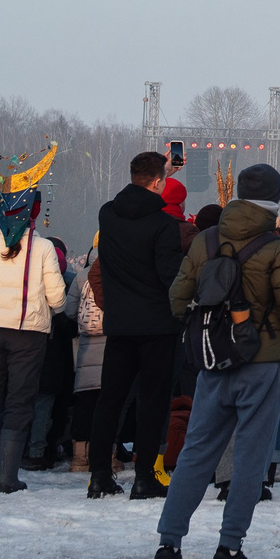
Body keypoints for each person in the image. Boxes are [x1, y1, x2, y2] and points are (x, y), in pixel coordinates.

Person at [150, 164, 280, 559]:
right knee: (250, 458)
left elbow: (178, 298)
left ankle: (168, 545)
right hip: (263, 361)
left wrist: (208, 330)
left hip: (213, 362)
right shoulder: (277, 248)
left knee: (197, 453)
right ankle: (229, 549)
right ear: (275, 199)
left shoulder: (205, 240)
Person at [0, 161, 66, 494]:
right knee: (20, 402)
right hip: (28, 334)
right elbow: (58, 298)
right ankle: (7, 477)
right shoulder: (44, 247)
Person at [90, 152, 182, 499]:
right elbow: (169, 275)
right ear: (159, 182)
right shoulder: (163, 225)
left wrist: (162, 171)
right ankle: (144, 476)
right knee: (153, 402)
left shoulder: (107, 214)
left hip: (120, 323)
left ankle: (99, 474)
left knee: (110, 400)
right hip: (158, 324)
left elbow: (136, 192)